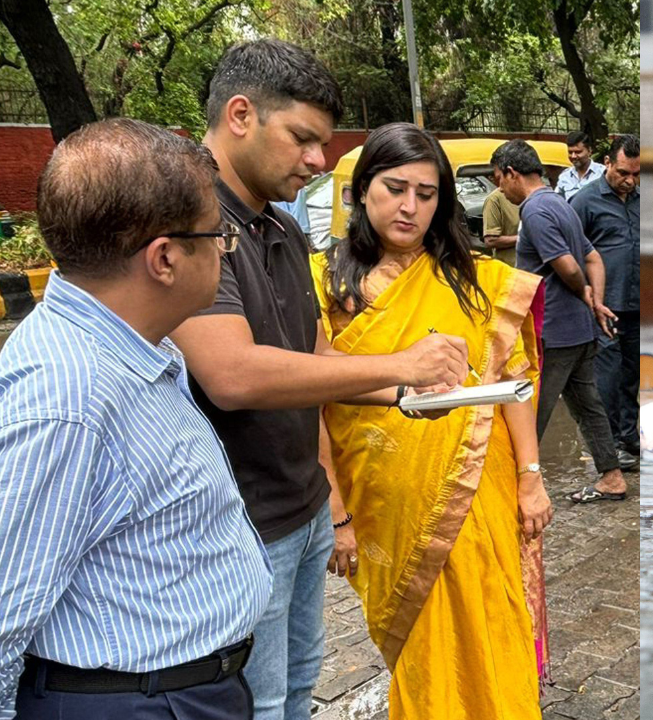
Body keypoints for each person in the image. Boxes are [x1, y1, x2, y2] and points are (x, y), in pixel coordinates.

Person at [169, 40, 469, 720]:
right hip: (240, 522)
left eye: (323, 145)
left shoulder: (277, 227)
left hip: (300, 508)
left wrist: (407, 393)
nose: (317, 161)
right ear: (241, 114)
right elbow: (233, 375)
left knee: (297, 689)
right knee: (260, 703)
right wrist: (401, 364)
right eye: (304, 139)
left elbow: (319, 364)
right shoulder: (189, 220)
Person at [0, 118, 271, 718]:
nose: (225, 249)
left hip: (178, 690)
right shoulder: (68, 399)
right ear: (166, 258)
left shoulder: (132, 345)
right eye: (217, 235)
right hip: (135, 703)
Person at [312, 122, 553, 718]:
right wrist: (335, 507)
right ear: (362, 190)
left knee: (491, 620)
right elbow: (311, 399)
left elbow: (512, 380)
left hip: (479, 490)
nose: (410, 207)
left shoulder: (475, 279)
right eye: (395, 188)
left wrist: (531, 474)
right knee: (420, 642)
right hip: (385, 500)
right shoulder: (325, 284)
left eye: (427, 193)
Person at [492, 139, 628, 503]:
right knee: (588, 405)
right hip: (579, 330)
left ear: (512, 173)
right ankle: (612, 477)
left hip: (551, 331)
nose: (498, 189)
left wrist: (584, 292)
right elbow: (593, 257)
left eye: (498, 179)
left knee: (530, 410)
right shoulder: (560, 204)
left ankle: (515, 488)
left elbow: (568, 266)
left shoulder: (535, 211)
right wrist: (595, 303)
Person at [571, 134, 641, 471]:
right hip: (605, 307)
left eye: (637, 174)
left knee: (634, 373)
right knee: (607, 377)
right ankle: (611, 443)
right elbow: (571, 254)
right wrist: (585, 296)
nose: (630, 181)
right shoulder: (584, 202)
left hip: (640, 303)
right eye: (624, 172)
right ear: (608, 163)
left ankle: (630, 436)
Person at [481, 165, 521, 265]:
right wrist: (523, 238)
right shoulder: (494, 199)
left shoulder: (532, 196)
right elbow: (490, 240)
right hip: (510, 268)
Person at [554, 130, 605, 202]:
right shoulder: (564, 176)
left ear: (589, 151)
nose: (573, 156)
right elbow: (558, 201)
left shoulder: (602, 174)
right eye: (570, 152)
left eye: (578, 152)